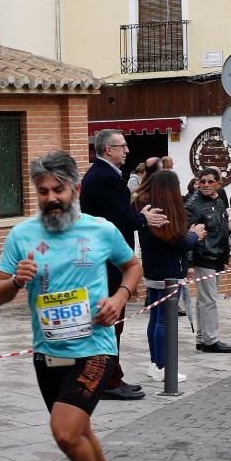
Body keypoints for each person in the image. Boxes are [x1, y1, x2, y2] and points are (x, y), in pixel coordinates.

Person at [0, 151, 142, 461]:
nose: (51, 198)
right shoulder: (22, 235)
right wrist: (16, 282)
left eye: (58, 189)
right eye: (42, 191)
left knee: (64, 431)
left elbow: (133, 265)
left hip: (95, 347)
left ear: (75, 189)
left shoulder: (101, 230)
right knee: (80, 429)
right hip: (48, 351)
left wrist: (120, 297)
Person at [80, 130, 168, 400]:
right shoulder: (105, 178)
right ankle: (107, 381)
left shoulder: (102, 175)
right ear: (108, 149)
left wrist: (137, 215)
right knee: (111, 320)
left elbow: (118, 212)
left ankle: (111, 376)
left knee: (113, 321)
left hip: (104, 258)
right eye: (123, 146)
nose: (127, 151)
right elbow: (118, 218)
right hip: (107, 261)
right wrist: (143, 220)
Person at [134, 170, 205, 380]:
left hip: (154, 269)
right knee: (163, 320)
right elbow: (176, 244)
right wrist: (194, 235)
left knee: (156, 318)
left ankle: (155, 364)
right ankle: (163, 366)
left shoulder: (147, 208)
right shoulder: (163, 212)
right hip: (167, 273)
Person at [186, 168, 231, 353]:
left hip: (217, 256)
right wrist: (190, 264)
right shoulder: (193, 204)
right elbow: (189, 234)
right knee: (209, 300)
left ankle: (202, 337)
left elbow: (220, 231)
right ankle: (210, 340)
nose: (205, 184)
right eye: (202, 181)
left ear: (218, 183)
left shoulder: (218, 200)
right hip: (203, 257)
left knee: (204, 300)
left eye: (209, 181)